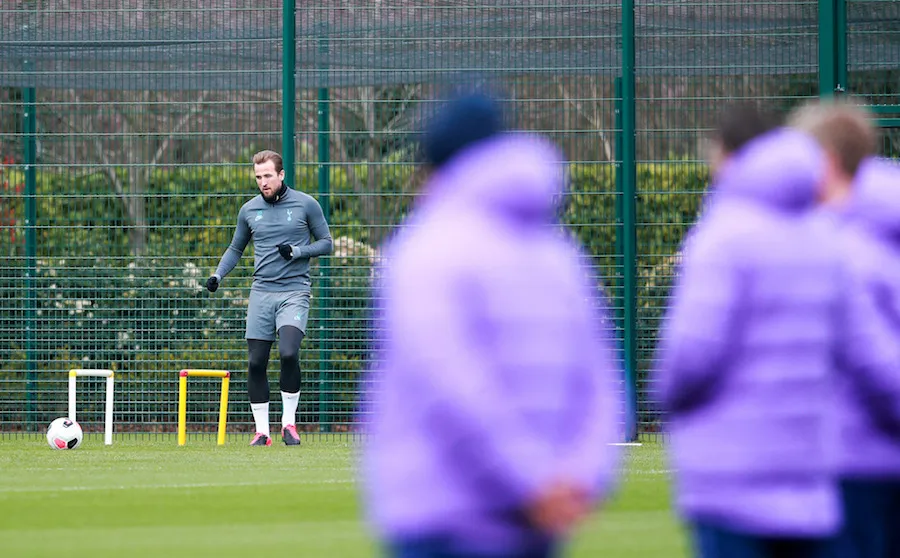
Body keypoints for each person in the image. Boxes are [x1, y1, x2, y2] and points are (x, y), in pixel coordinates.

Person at [360, 92, 623, 558]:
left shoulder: (427, 248)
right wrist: (580, 476)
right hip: (540, 518)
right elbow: (600, 381)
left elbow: (449, 382)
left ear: (435, 166)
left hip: (444, 513)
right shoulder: (560, 253)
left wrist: (530, 482)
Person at [654, 104, 843, 558]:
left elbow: (689, 355)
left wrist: (664, 396)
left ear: (727, 154)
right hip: (810, 479)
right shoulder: (823, 234)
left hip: (731, 481)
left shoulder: (723, 234)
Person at [789, 100, 900, 558]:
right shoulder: (881, 241)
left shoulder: (836, 251)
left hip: (847, 460)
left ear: (827, 160)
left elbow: (875, 363)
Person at [207, 150, 333, 446]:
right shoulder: (248, 210)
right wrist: (217, 275)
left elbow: (327, 243)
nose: (263, 182)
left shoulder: (306, 204)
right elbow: (235, 249)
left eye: (267, 176)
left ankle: (289, 424)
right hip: (261, 292)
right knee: (256, 362)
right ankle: (262, 432)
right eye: (258, 177)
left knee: (289, 353)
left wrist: (299, 251)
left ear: (281, 174)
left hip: (294, 291)